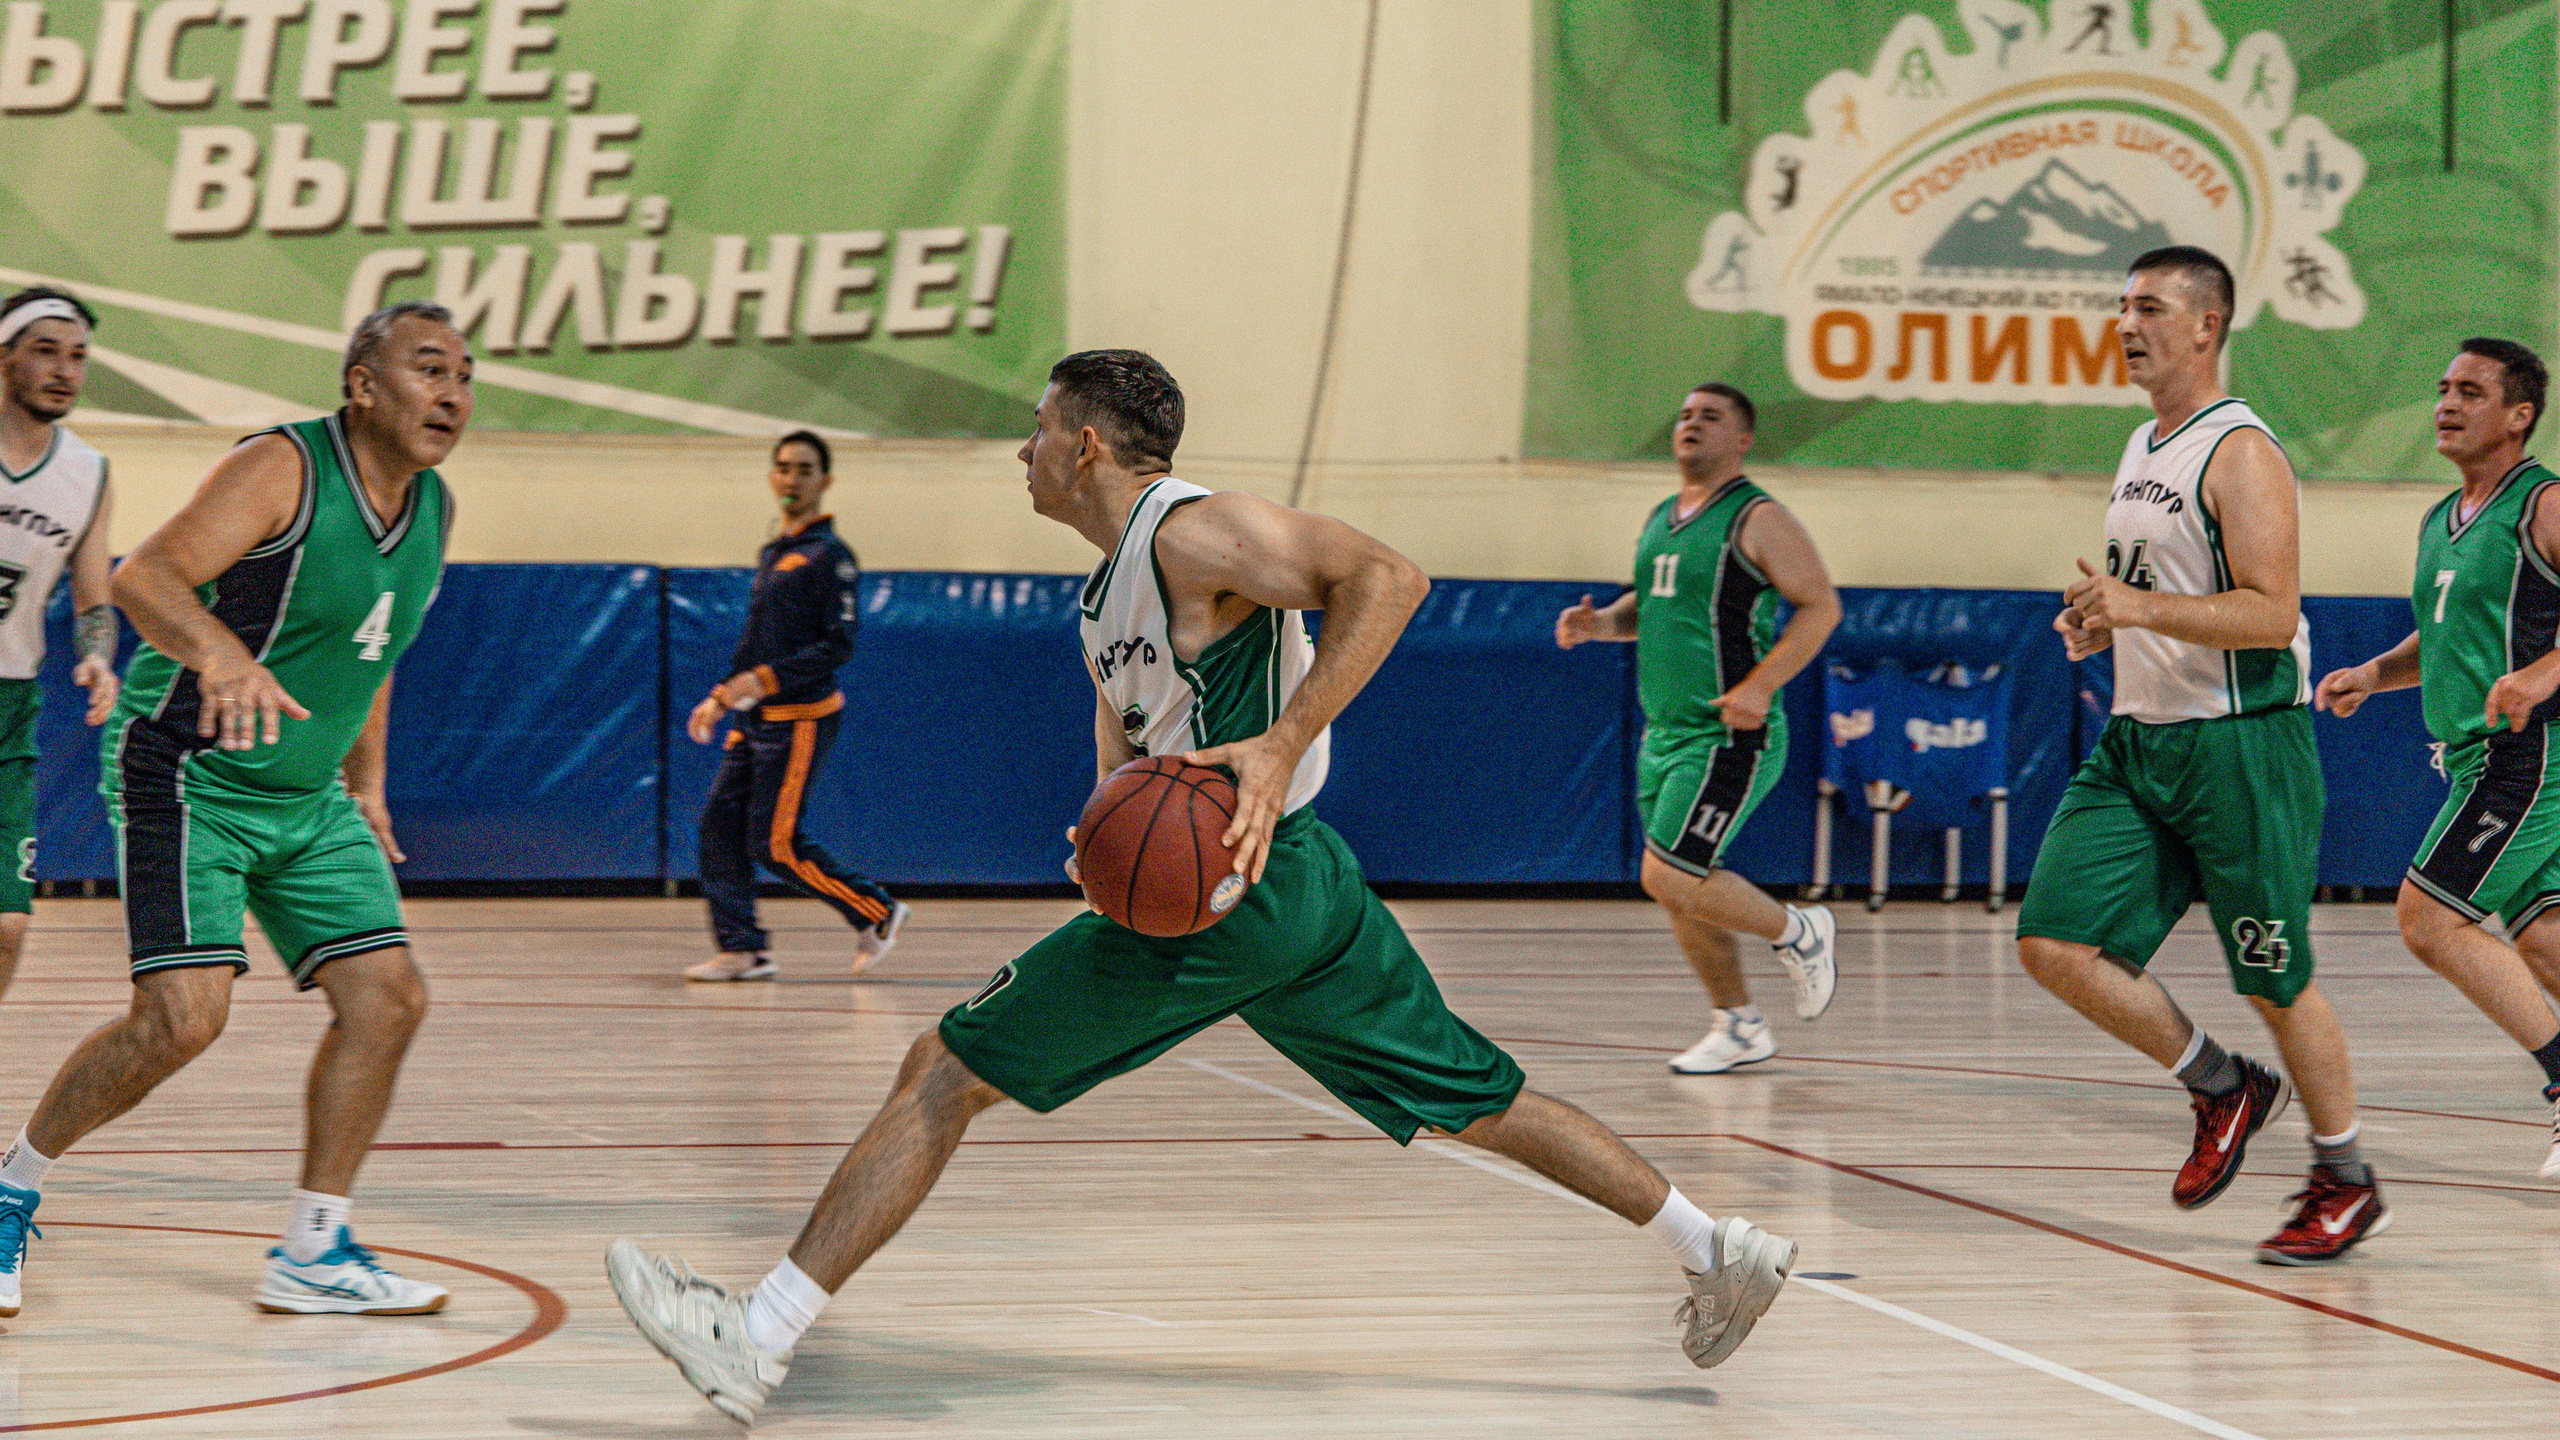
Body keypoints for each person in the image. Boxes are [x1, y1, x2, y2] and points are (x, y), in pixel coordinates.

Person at [606, 350, 1799, 1424]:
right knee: (1473, 1095)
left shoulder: (1189, 530)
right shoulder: (1105, 597)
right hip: (1298, 883)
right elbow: (1124, 774)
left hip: (1240, 880)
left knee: (945, 1069)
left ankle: (754, 1336)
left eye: (1036, 428)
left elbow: (1389, 576)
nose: (1020, 450)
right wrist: (1096, 834)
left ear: (1084, 445)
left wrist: (1280, 743)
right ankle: (1716, 1245)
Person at [0, 299, 468, 1319]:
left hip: (306, 796)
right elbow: (144, 576)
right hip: (190, 773)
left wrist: (369, 783)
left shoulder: (433, 509)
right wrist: (219, 654)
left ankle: (311, 1249)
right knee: (182, 1019)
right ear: (362, 386)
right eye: (429, 369)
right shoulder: (284, 469)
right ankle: (11, 1188)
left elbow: (375, 655)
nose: (453, 393)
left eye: (466, 376)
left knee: (389, 998)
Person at [2019, 246, 2382, 1265]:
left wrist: (2139, 607)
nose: (2125, 323)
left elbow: (2271, 618)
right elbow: (2160, 596)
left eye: (2146, 307)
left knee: (2272, 976)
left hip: (2239, 749)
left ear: (2205, 326)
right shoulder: (2144, 442)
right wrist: (2106, 623)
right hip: (2139, 742)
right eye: (2120, 306)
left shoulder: (2242, 452)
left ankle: (2345, 1177)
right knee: (2052, 942)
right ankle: (2221, 1084)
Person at [2316, 337, 2560, 1178]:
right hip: (2472, 755)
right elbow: (2449, 634)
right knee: (2543, 944)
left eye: (2471, 391)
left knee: (2429, 918)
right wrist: (2373, 674)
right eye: (2442, 387)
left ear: (2519, 415)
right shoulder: (2440, 518)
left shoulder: (2545, 506)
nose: (2446, 404)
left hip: (2527, 755)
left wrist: (2539, 674)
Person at [1556, 383, 1841, 1074]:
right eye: (1684, 414)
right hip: (1665, 735)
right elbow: (1650, 609)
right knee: (1679, 882)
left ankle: (1800, 930)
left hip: (1728, 735)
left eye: (1710, 417)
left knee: (1670, 870)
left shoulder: (1758, 517)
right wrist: (1601, 625)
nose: (1691, 424)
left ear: (1742, 440)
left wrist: (1760, 685)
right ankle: (1739, 1023)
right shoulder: (1662, 516)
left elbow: (1820, 607)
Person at [683, 430, 907, 981]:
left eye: (805, 469)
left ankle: (876, 912)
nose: (792, 479)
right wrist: (721, 695)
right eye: (783, 467)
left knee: (775, 843)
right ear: (771, 476)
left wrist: (762, 680)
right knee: (718, 826)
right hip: (753, 720)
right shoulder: (774, 552)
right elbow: (755, 637)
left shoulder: (832, 556)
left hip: (801, 719)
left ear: (824, 481)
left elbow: (838, 644)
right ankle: (744, 949)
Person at [0, 288, 121, 998]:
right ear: (5, 356)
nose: (64, 370)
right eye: (45, 349)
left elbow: (93, 595)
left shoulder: (89, 474)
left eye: (77, 356)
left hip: (11, 704)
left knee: (8, 926)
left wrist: (97, 654)